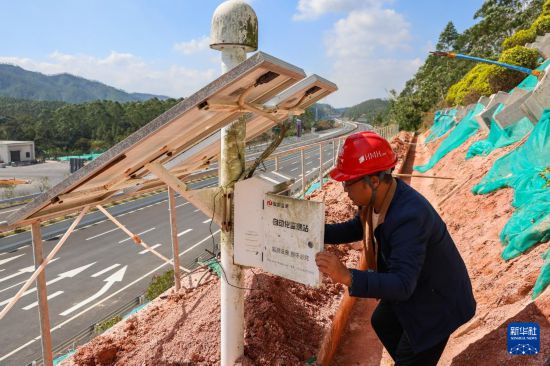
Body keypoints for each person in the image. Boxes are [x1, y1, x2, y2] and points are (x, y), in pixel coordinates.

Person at [315, 131, 476, 366]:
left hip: (437, 304)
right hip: (420, 285)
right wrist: (311, 230)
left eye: (348, 183)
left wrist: (348, 276)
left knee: (413, 350)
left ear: (374, 181)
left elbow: (401, 284)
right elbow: (354, 228)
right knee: (383, 321)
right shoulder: (378, 200)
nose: (345, 190)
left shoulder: (408, 217)